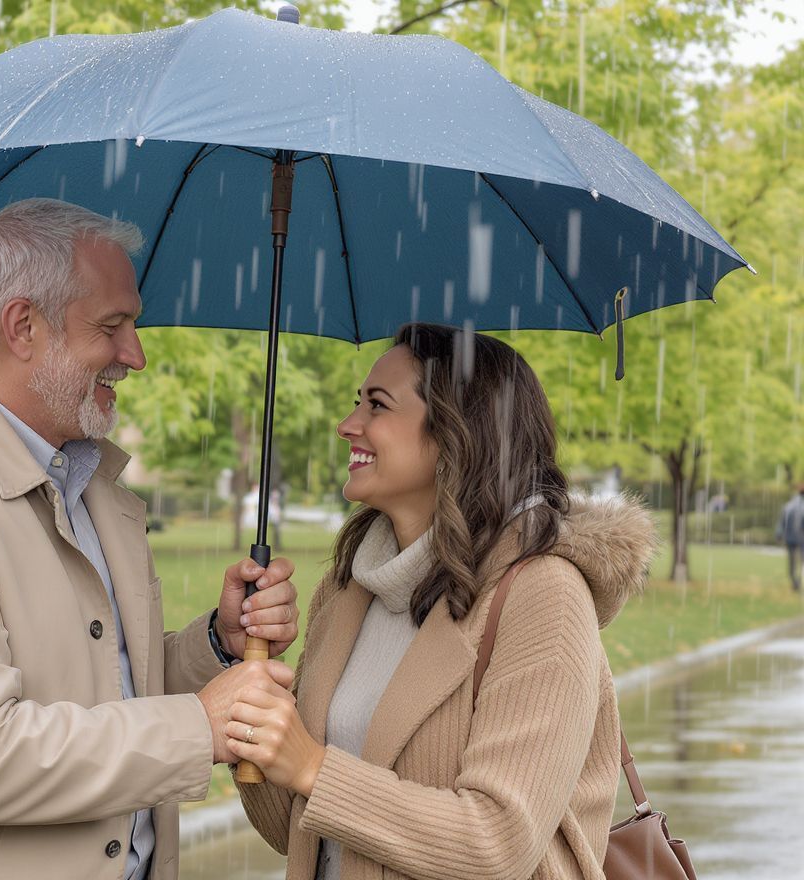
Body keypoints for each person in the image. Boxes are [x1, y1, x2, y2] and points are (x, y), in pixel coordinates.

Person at [0, 198, 300, 879]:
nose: (134, 355)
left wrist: (217, 643)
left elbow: (103, 686)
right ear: (23, 327)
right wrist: (199, 726)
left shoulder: (96, 488)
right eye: (113, 326)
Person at [228, 323, 658, 880]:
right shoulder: (346, 590)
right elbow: (292, 831)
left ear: (458, 431)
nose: (347, 426)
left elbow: (497, 842)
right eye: (355, 402)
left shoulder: (543, 595)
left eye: (377, 406)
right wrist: (253, 687)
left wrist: (313, 767)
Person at [775, 484, 804, 591]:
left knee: (792, 563)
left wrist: (778, 534)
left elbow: (781, 522)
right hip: (801, 538)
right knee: (801, 561)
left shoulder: (788, 506)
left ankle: (795, 582)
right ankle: (798, 582)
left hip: (790, 537)